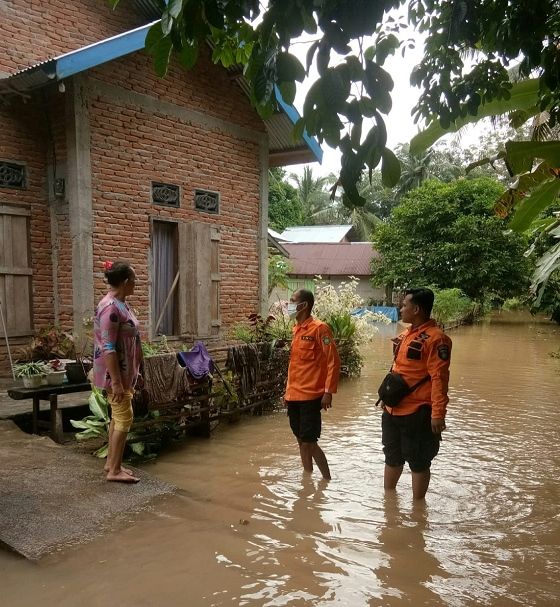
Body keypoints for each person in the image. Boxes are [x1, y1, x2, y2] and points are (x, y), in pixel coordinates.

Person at [381, 287, 452, 500]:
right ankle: (388, 502)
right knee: (391, 457)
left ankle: (418, 510)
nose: (400, 309)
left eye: (404, 305)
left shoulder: (437, 339)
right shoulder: (406, 334)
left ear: (417, 309)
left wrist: (438, 414)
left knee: (419, 462)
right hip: (393, 409)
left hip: (417, 412)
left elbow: (440, 378)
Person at [93, 260, 142, 483]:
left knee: (117, 417)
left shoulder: (121, 304)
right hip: (115, 376)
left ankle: (112, 463)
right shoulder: (110, 308)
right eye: (133, 279)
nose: (136, 283)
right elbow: (108, 347)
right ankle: (114, 471)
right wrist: (116, 382)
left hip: (125, 374)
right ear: (124, 282)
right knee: (124, 418)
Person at [284, 289, 340, 480]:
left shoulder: (320, 328)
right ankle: (313, 477)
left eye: (292, 301)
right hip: (293, 395)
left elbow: (333, 360)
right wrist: (287, 392)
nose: (289, 304)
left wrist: (328, 391)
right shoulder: (296, 329)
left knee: (309, 441)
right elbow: (295, 365)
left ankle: (320, 478)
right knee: (302, 441)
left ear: (304, 305)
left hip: (311, 395)